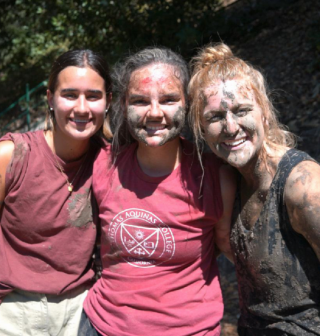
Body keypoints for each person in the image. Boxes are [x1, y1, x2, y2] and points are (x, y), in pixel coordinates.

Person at [188, 43, 320, 336]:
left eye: (242, 111)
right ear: (201, 128)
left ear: (264, 113)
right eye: (216, 117)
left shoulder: (303, 188)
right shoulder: (231, 184)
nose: (231, 127)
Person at [80, 47, 236, 336]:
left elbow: (234, 250)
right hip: (102, 327)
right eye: (140, 101)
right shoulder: (103, 165)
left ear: (188, 104)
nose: (154, 112)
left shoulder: (215, 176)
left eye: (168, 99)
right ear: (123, 105)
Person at [0, 49, 112, 336]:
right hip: (10, 314)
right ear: (50, 99)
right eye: (69, 95)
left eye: (93, 96)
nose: (81, 108)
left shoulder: (113, 163)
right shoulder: (9, 156)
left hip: (81, 313)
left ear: (108, 101)